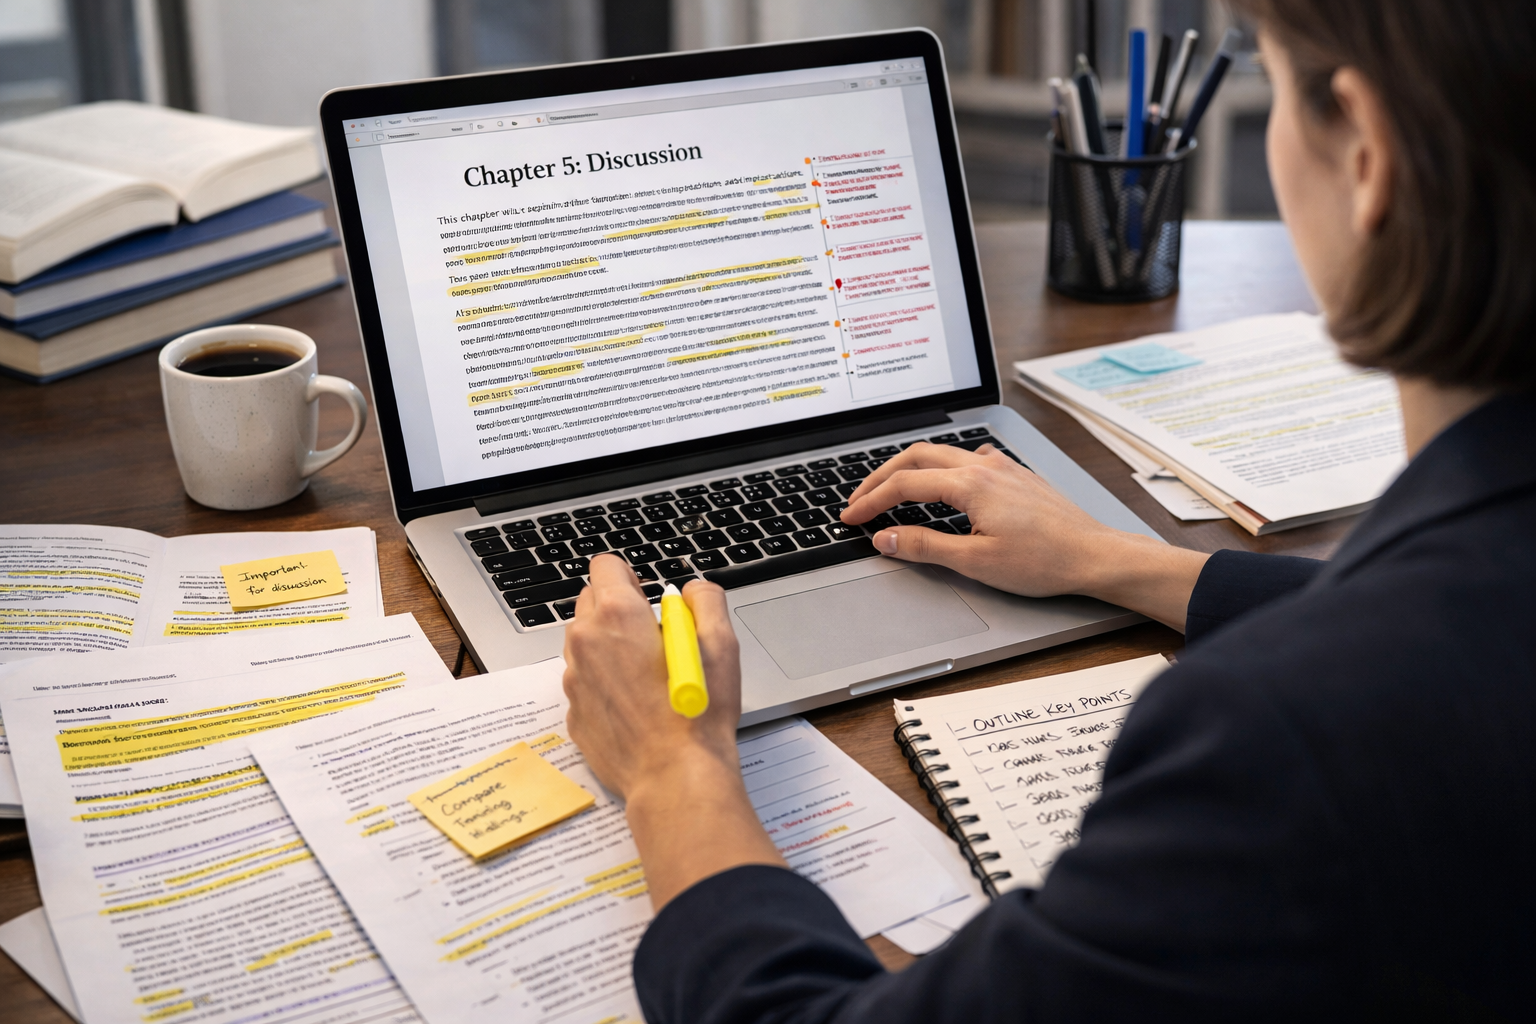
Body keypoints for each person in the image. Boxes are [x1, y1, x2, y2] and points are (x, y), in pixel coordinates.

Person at [560, 1, 1536, 1018]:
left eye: (1277, 83)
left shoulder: (1276, 737)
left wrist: (674, 767)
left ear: (1367, 155)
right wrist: (1118, 560)